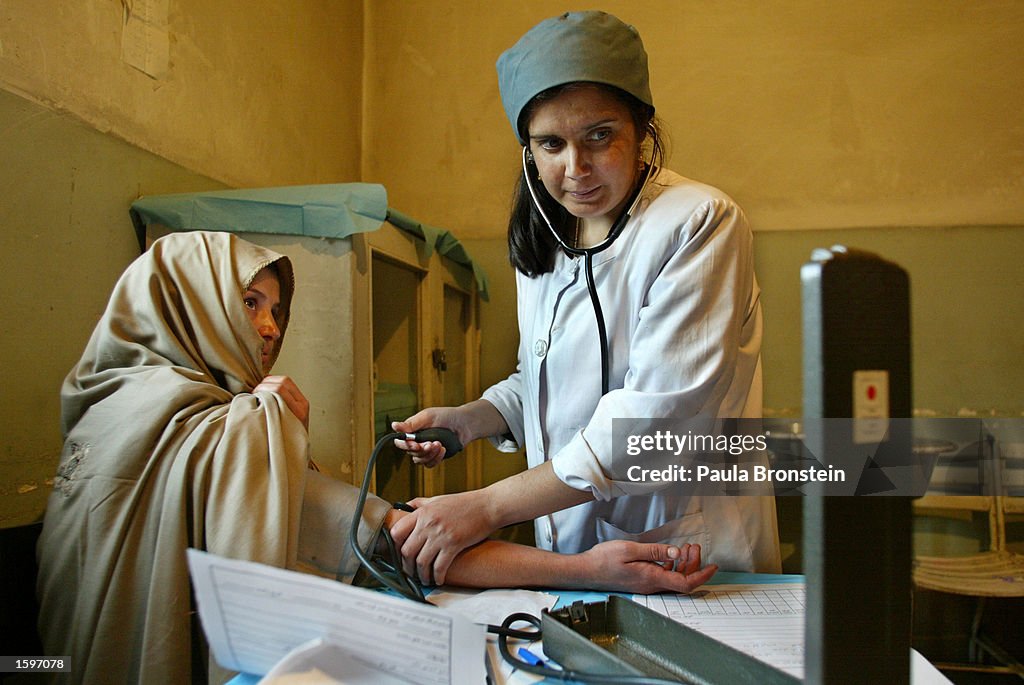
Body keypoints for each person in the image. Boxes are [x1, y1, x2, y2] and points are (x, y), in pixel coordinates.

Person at [36, 230, 717, 685]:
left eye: (277, 308)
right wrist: (588, 570)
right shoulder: (230, 428)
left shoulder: (107, 407)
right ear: (187, 305)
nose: (271, 328)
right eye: (250, 303)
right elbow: (393, 536)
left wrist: (468, 421)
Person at [392, 10, 781, 585]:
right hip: (573, 549)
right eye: (551, 144)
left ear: (642, 129)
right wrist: (475, 418)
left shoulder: (700, 222)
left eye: (600, 135)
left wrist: (487, 507)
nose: (576, 169)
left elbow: (649, 420)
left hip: (686, 535)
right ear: (528, 150)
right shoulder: (549, 236)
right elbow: (546, 379)